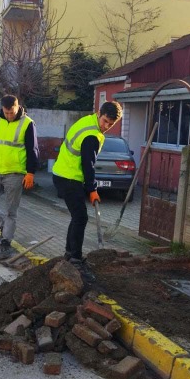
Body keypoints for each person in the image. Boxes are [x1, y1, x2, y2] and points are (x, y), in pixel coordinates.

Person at [52, 100, 123, 283]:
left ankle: (70, 253)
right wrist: (92, 189)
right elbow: (88, 164)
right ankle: (75, 258)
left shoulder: (88, 121)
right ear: (99, 113)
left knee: (77, 216)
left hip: (63, 174)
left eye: (111, 124)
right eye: (105, 121)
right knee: (81, 217)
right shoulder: (91, 134)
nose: (106, 126)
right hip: (69, 177)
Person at [0, 95, 39, 259]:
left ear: (17, 107)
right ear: (2, 108)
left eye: (12, 112)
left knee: (11, 210)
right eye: (6, 112)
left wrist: (30, 173)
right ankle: (4, 226)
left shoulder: (27, 123)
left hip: (16, 174)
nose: (9, 115)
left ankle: (6, 240)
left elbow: (33, 150)